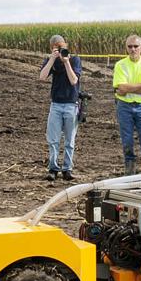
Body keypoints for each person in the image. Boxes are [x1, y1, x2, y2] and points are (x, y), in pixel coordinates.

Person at [112, 34, 141, 175]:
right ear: (126, 48)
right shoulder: (120, 65)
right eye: (130, 46)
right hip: (124, 106)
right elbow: (121, 88)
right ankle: (130, 170)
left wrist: (129, 88)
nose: (133, 49)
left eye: (136, 46)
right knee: (127, 139)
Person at [38, 34, 82, 181]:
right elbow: (42, 77)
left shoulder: (74, 60)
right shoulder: (51, 61)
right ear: (52, 48)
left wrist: (66, 62)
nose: (61, 49)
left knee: (70, 140)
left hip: (71, 104)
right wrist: (52, 59)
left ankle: (67, 169)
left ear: (66, 45)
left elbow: (74, 80)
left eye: (62, 46)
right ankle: (53, 168)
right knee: (53, 139)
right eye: (57, 47)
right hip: (56, 105)